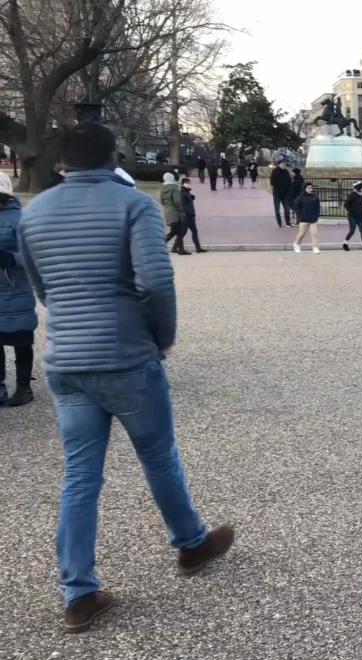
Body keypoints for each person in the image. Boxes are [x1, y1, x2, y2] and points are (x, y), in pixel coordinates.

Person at [18, 123, 234, 634]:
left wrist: (72, 321)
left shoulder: (35, 213)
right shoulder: (132, 204)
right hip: (125, 354)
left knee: (80, 475)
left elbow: (41, 286)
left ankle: (78, 591)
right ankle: (190, 542)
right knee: (158, 455)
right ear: (113, 157)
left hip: (67, 360)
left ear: (62, 161)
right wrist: (161, 337)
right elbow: (156, 281)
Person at [0, 171, 37, 407]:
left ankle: (24, 387)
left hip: (15, 290)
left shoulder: (19, 219)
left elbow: (34, 254)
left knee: (21, 339)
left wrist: (11, 259)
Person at [160, 172, 190, 256]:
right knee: (180, 231)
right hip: (175, 212)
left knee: (173, 231)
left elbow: (162, 201)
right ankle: (180, 250)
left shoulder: (163, 188)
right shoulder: (174, 188)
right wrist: (181, 211)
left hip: (167, 211)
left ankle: (177, 248)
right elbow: (177, 201)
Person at [292, 182, 321, 254]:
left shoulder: (315, 197)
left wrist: (316, 216)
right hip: (303, 219)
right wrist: (300, 216)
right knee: (302, 233)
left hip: (313, 219)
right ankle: (296, 244)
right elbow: (296, 207)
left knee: (314, 233)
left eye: (311, 188)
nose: (310, 189)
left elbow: (317, 208)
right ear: (305, 189)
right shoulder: (300, 197)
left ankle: (315, 247)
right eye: (308, 188)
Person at [342, 181, 362, 252]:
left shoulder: (360, 195)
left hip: (360, 217)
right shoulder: (352, 195)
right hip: (352, 217)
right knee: (352, 231)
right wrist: (352, 211)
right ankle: (345, 244)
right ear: (358, 188)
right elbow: (346, 204)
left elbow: (359, 205)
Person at [179, 177, 205, 254]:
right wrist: (190, 213)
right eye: (188, 183)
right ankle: (180, 249)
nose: (190, 184)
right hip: (187, 216)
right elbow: (184, 205)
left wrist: (191, 197)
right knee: (182, 233)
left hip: (190, 216)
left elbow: (188, 200)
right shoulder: (183, 193)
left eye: (190, 183)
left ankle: (198, 248)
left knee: (193, 231)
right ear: (184, 184)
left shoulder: (186, 192)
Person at [270, 161, 292, 227]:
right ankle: (279, 223)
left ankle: (288, 222)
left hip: (285, 194)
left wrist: (287, 190)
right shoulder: (275, 171)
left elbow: (289, 182)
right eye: (282, 164)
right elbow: (272, 182)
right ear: (279, 165)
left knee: (287, 209)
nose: (283, 165)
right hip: (277, 193)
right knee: (277, 209)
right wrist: (279, 189)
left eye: (284, 164)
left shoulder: (286, 172)